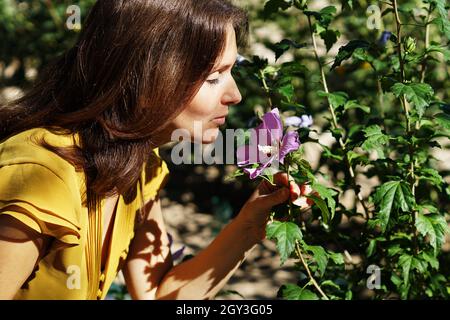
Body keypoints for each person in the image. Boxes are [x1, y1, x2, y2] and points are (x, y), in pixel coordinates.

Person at [0, 0, 309, 300]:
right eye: (214, 77)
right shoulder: (43, 177)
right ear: (149, 76)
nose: (235, 95)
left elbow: (158, 293)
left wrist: (250, 226)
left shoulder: (139, 168)